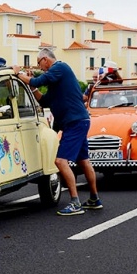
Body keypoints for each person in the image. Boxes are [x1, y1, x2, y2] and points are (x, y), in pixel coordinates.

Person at [18, 47, 100, 216]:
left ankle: (75, 203)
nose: (40, 67)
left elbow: (37, 81)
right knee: (84, 160)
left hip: (74, 122)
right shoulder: (57, 79)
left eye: (39, 63)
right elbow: (44, 100)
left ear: (45, 59)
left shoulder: (59, 68)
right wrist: (32, 86)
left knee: (60, 161)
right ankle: (94, 199)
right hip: (78, 121)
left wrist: (19, 74)